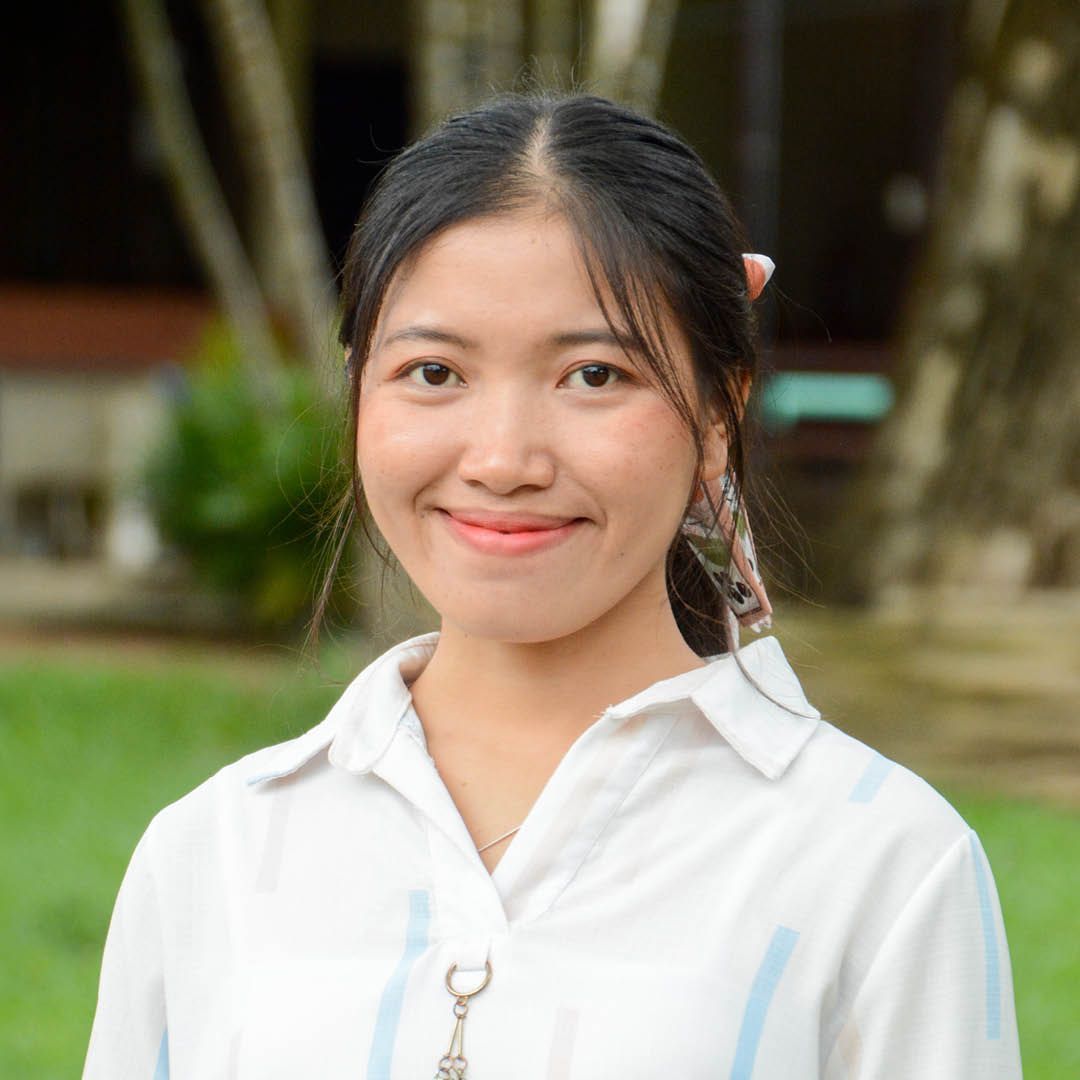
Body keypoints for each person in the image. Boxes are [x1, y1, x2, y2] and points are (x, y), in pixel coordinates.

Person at [84, 92, 1022, 1079]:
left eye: (593, 376)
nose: (502, 459)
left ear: (717, 415)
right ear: (360, 392)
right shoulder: (214, 854)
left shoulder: (882, 864)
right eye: (435, 372)